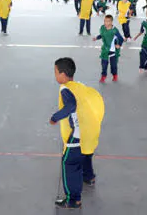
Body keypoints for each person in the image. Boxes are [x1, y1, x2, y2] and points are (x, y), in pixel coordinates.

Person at [49, 58, 105, 209]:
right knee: (85, 155)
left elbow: (71, 106)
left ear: (62, 74)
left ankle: (73, 200)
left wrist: (55, 118)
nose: (55, 75)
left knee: (70, 164)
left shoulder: (65, 89)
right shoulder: (79, 86)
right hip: (89, 131)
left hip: (76, 136)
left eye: (55, 72)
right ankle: (89, 177)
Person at [93, 15, 124, 83]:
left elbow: (121, 39)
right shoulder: (103, 28)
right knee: (104, 65)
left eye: (107, 21)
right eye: (104, 21)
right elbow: (102, 35)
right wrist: (96, 38)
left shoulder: (114, 30)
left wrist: (119, 45)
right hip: (105, 50)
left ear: (111, 22)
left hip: (113, 51)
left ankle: (115, 75)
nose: (105, 23)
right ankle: (103, 76)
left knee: (113, 65)